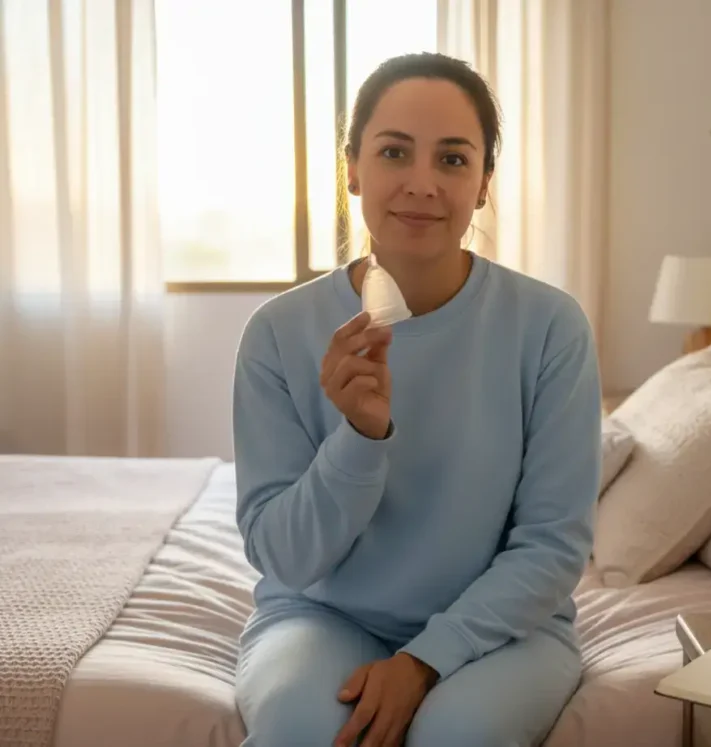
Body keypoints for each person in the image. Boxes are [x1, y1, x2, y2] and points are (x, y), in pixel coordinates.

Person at [231, 52, 602, 747]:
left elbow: (553, 546)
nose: (422, 184)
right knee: (298, 728)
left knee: (457, 733)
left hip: (504, 629)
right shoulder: (277, 333)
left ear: (485, 183)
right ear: (352, 169)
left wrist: (424, 660)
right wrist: (360, 439)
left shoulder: (550, 327)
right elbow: (282, 555)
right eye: (394, 152)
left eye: (454, 160)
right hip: (322, 616)